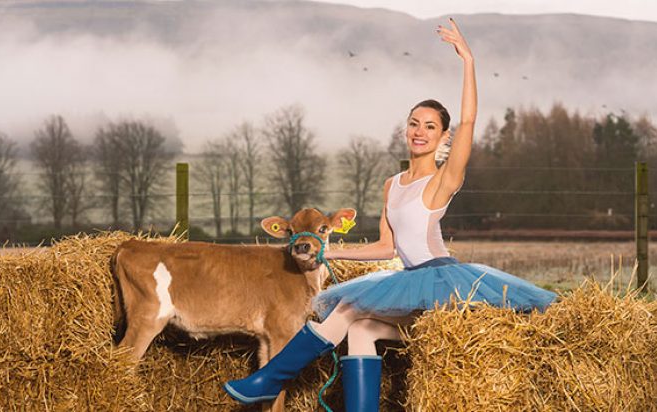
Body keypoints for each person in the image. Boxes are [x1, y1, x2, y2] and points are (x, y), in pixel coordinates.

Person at [223, 18, 557, 411]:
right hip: (408, 280)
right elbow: (386, 247)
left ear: (442, 137)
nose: (419, 131)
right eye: (414, 123)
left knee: (348, 307)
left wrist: (467, 60)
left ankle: (270, 379)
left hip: (440, 286)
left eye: (430, 126)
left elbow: (468, 121)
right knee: (362, 330)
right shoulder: (392, 184)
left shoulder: (442, 180)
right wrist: (329, 254)